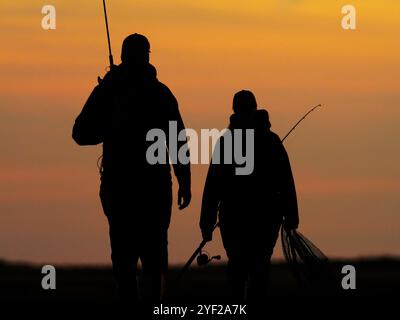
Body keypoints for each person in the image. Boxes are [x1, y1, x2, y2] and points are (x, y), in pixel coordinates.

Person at [72, 34, 191, 301]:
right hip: (152, 191)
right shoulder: (160, 93)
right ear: (147, 56)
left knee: (126, 262)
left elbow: (80, 133)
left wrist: (109, 130)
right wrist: (184, 180)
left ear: (124, 57)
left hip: (123, 190)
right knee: (153, 260)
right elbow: (178, 140)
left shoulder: (109, 90)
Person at [200, 90, 299, 301]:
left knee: (240, 267)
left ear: (234, 110)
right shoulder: (271, 141)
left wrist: (206, 222)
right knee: (258, 268)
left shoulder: (227, 142)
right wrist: (291, 215)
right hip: (263, 219)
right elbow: (286, 182)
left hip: (240, 219)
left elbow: (213, 186)